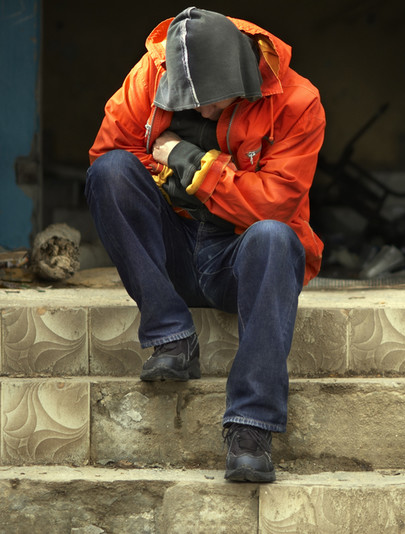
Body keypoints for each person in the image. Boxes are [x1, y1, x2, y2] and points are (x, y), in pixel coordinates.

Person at [85, 7, 325, 483]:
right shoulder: (148, 73)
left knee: (276, 236)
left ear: (243, 77)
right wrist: (201, 183)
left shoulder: (299, 100)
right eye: (188, 100)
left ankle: (251, 428)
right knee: (108, 174)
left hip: (238, 257)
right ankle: (171, 336)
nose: (200, 110)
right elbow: (114, 152)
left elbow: (271, 205)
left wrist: (189, 162)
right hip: (172, 243)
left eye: (213, 101)